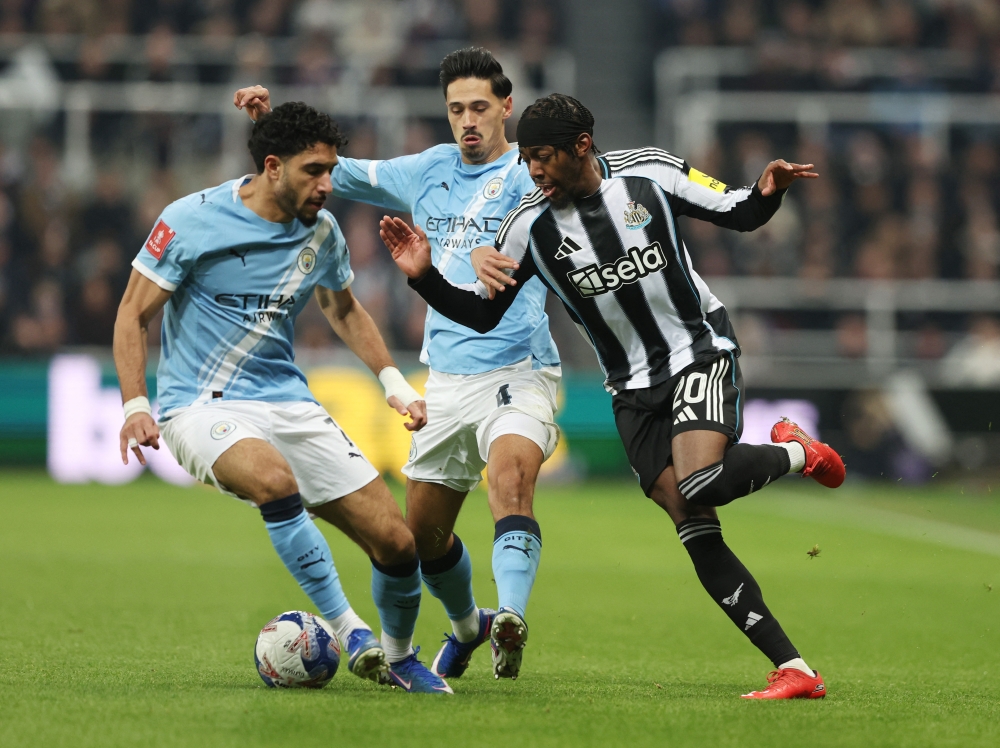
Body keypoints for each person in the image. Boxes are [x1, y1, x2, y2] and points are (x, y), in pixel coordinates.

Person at [380, 93, 846, 700]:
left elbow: (738, 211)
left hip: (696, 352)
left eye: (543, 157)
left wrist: (769, 190)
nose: (534, 170)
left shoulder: (649, 173)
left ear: (582, 146)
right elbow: (481, 314)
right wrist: (424, 276)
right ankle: (797, 670)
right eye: (526, 159)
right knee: (692, 522)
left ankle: (798, 454)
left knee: (699, 481)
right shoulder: (526, 224)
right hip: (628, 387)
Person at [234, 48, 559, 681]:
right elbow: (337, 172)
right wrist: (271, 122)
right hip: (445, 381)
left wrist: (529, 260)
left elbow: (581, 222)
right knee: (421, 540)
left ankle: (513, 617)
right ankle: (472, 627)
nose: (468, 121)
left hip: (520, 369)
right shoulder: (427, 169)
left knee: (510, 479)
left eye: (480, 108)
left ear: (506, 108)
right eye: (456, 109)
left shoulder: (534, 175)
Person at [114, 102, 452, 694]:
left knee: (397, 544)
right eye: (314, 171)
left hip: (287, 401)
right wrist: (135, 404)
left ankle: (398, 658)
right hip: (200, 404)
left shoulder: (321, 232)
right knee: (273, 480)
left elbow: (342, 308)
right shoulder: (190, 220)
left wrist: (393, 383)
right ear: (273, 166)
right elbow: (131, 311)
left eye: (331, 170)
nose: (327, 184)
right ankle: (350, 631)